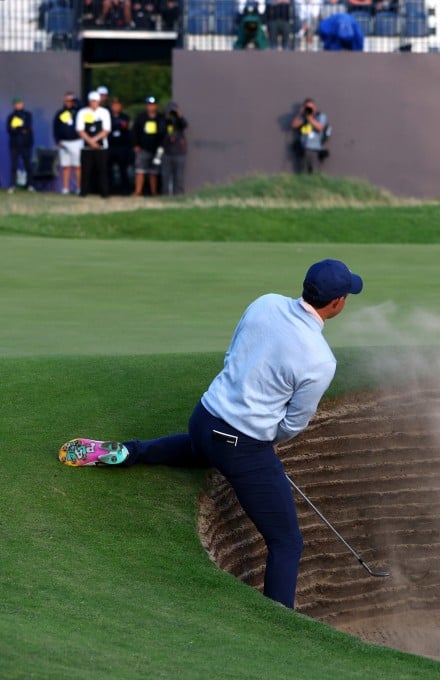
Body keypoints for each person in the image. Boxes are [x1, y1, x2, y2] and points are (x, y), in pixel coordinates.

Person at [58, 258, 365, 611]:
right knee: (287, 542)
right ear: (338, 302)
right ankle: (279, 627)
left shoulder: (265, 302)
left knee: (199, 447)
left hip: (204, 417)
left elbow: (233, 354)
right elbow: (294, 423)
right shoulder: (320, 360)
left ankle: (127, 453)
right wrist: (267, 444)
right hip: (241, 447)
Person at [76, 91, 111, 198]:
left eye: (95, 101)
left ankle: (104, 193)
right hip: (86, 147)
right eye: (92, 101)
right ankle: (84, 192)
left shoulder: (104, 112)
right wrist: (90, 141)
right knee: (86, 171)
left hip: (101, 147)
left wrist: (95, 140)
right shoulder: (82, 112)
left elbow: (106, 129)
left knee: (102, 170)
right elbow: (80, 129)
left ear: (99, 101)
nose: (93, 103)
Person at [132, 96, 166, 197]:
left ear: (156, 106)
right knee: (140, 170)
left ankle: (154, 192)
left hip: (156, 149)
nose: (151, 107)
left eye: (153, 105)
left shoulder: (161, 118)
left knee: (154, 172)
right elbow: (134, 132)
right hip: (143, 148)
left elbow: (163, 133)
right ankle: (138, 191)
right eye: (149, 105)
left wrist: (161, 147)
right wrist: (135, 144)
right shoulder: (141, 117)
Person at [53, 92, 81, 195]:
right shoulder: (60, 113)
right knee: (65, 166)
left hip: (76, 141)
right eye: (67, 100)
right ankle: (66, 188)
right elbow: (55, 128)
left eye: (71, 100)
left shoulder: (78, 112)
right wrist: (57, 140)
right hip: (64, 142)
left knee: (77, 166)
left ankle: (79, 188)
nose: (68, 102)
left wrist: (76, 102)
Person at [291, 98, 328, 174]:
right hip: (304, 147)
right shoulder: (303, 116)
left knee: (313, 171)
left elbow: (320, 128)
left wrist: (310, 118)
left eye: (311, 107)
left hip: (315, 148)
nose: (309, 109)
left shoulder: (320, 116)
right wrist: (300, 114)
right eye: (307, 107)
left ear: (315, 107)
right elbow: (294, 126)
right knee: (303, 171)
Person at [6, 97, 34, 193]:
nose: (18, 105)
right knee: (14, 165)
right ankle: (12, 185)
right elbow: (10, 130)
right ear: (14, 105)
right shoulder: (11, 116)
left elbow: (28, 128)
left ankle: (30, 185)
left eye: (20, 103)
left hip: (26, 144)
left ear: (22, 104)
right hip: (14, 144)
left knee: (28, 165)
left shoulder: (27, 115)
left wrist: (17, 128)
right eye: (16, 104)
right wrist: (21, 129)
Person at [107, 97, 134, 196]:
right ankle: (109, 190)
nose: (116, 107)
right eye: (114, 105)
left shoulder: (125, 117)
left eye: (118, 105)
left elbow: (125, 127)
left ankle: (125, 190)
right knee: (108, 170)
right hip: (110, 147)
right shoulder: (107, 116)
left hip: (122, 147)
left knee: (123, 169)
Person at [162, 102, 187, 195]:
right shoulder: (164, 121)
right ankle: (165, 194)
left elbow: (185, 125)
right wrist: (166, 117)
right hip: (167, 152)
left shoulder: (179, 121)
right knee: (166, 175)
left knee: (179, 175)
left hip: (179, 152)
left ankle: (179, 193)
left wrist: (179, 115)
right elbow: (161, 130)